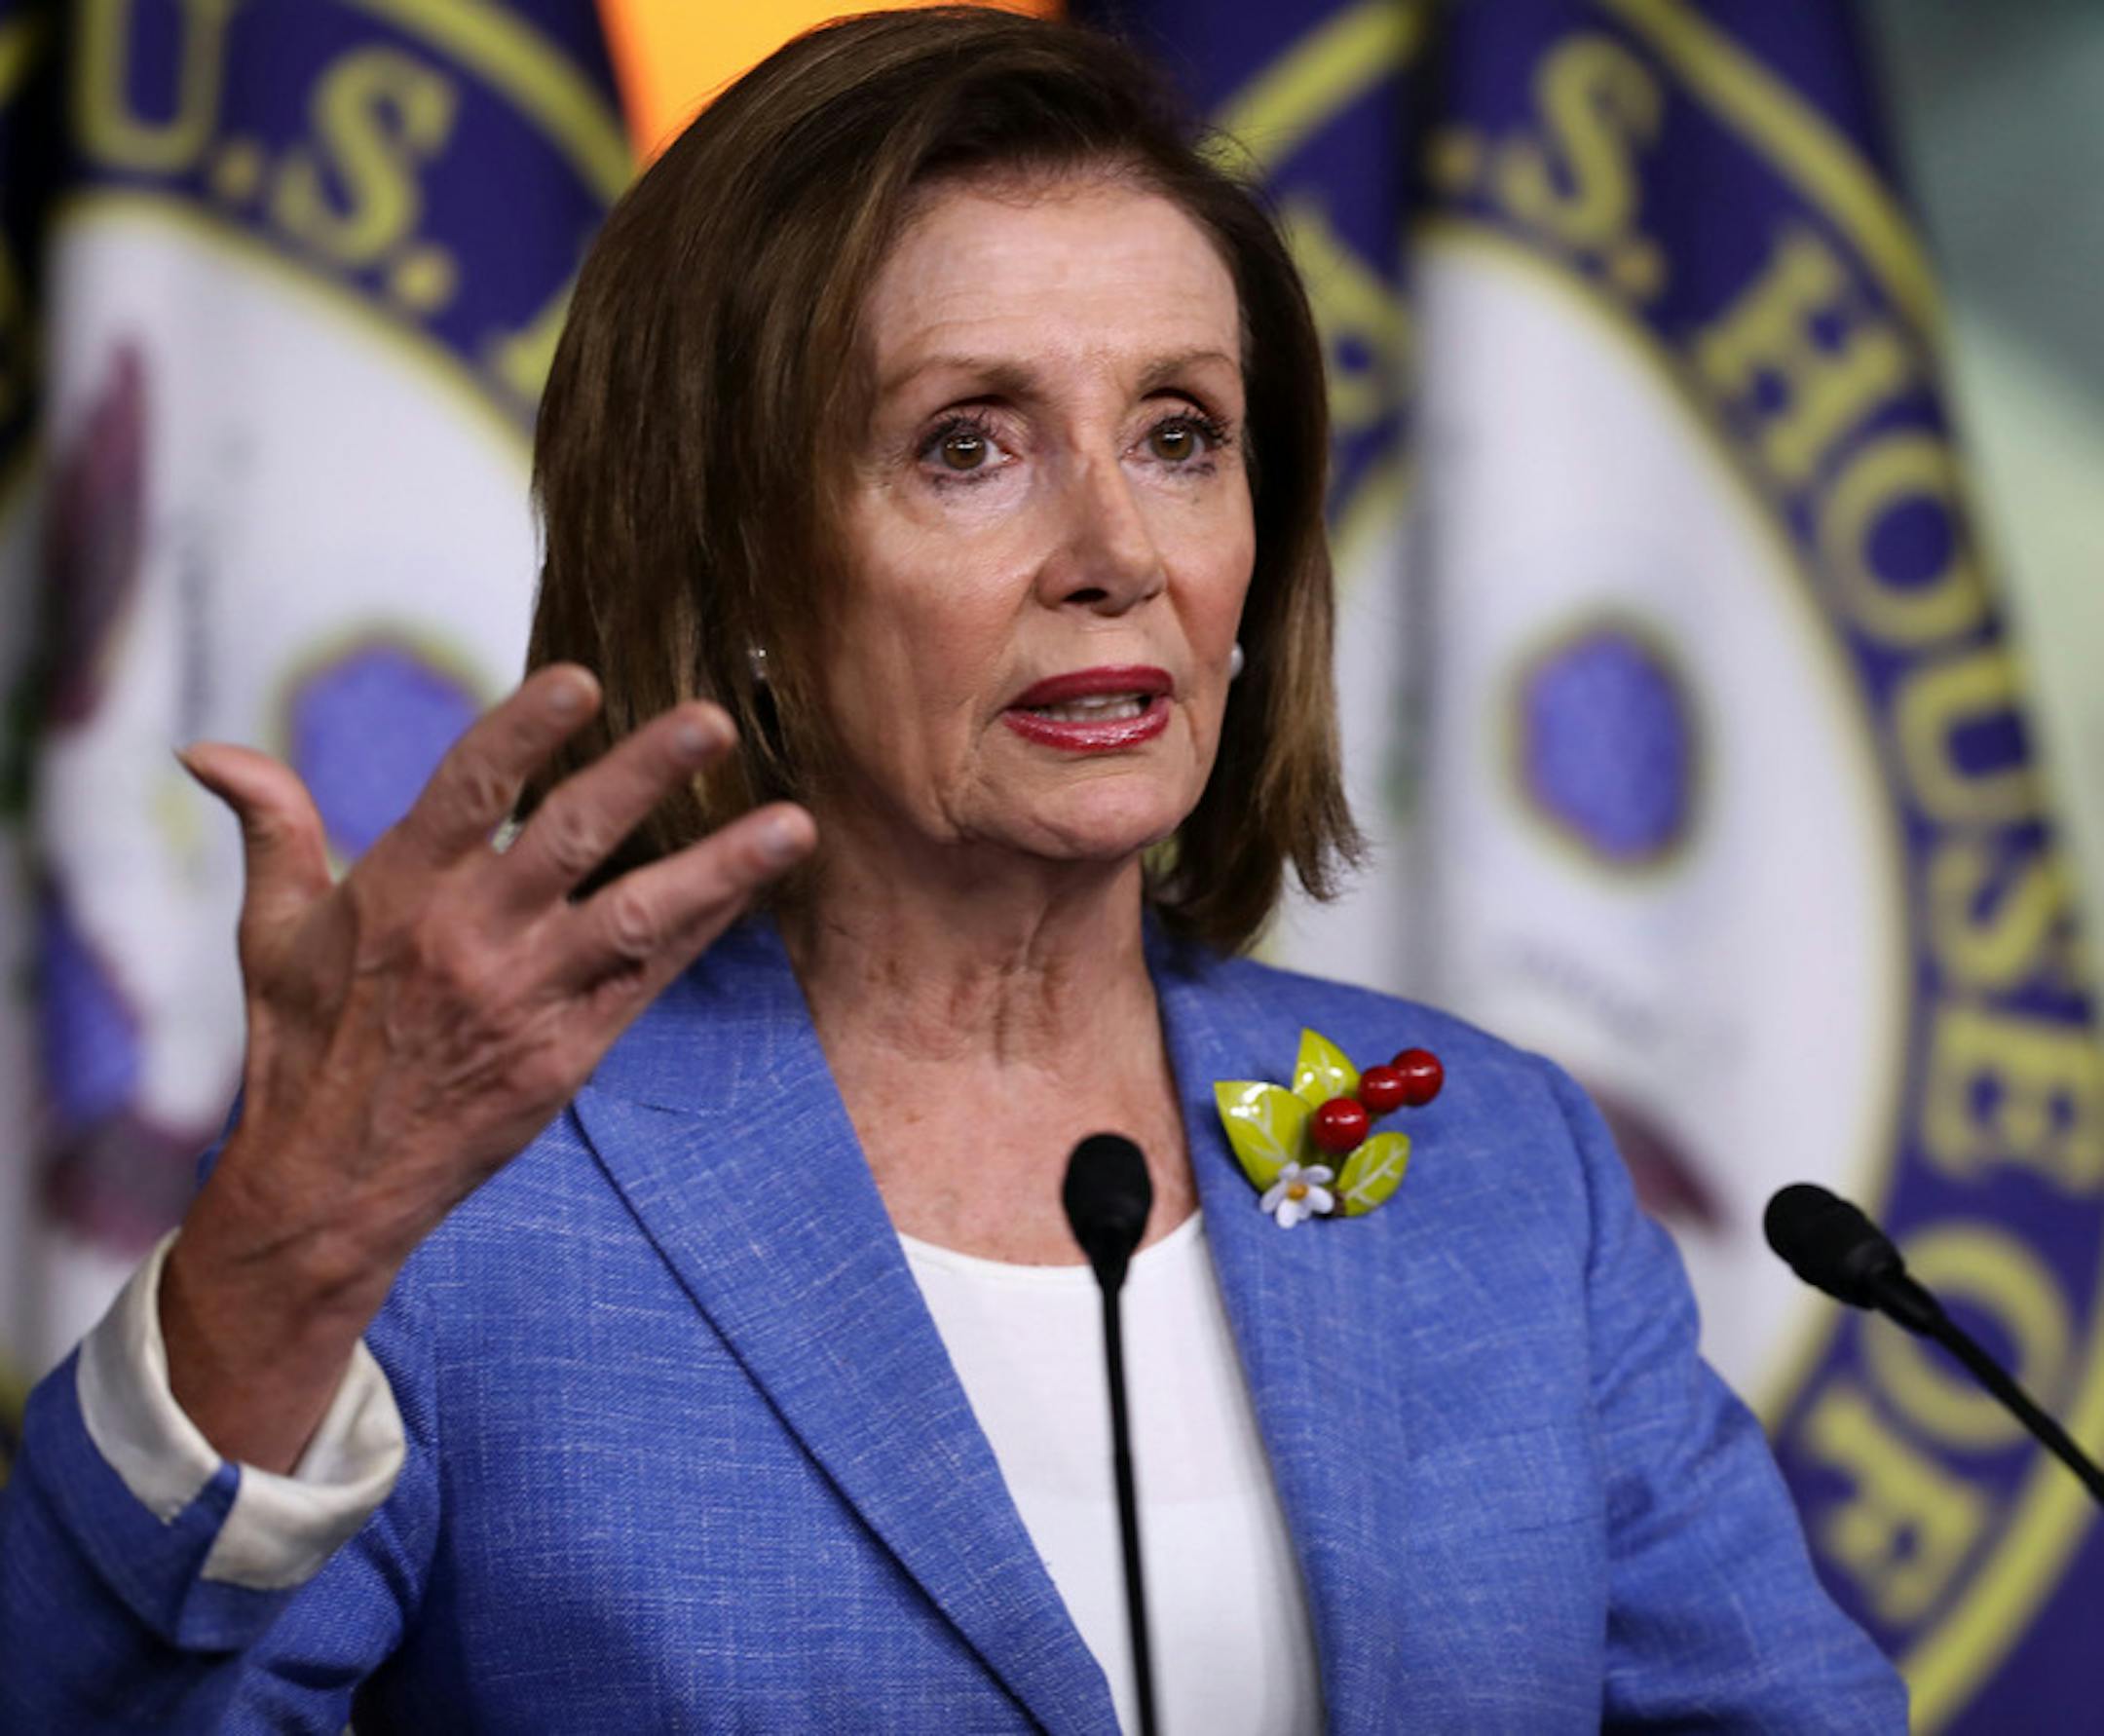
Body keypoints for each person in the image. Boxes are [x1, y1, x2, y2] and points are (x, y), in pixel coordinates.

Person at [0, 9, 1906, 1731]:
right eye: (967, 444)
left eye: (1182, 435)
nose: (1114, 550)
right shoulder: (460, 1185)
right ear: (738, 560)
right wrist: (270, 1287)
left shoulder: (1490, 1156)